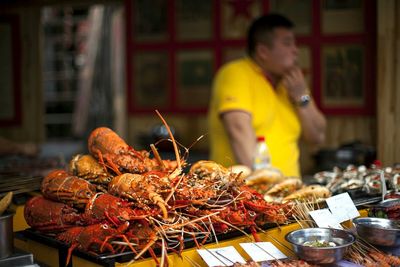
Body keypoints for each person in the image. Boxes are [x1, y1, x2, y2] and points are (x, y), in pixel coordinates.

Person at [208, 13, 326, 178]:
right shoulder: (236, 73)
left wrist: (301, 96)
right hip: (246, 195)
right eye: (287, 43)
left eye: (294, 43)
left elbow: (317, 137)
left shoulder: (292, 85)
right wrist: (261, 187)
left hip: (288, 193)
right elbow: (238, 130)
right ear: (263, 51)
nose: (295, 50)